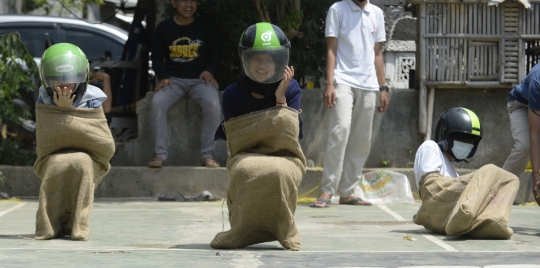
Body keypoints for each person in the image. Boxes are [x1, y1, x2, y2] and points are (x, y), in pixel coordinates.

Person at [210, 23, 306, 251]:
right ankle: (240, 230)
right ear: (245, 59)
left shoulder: (291, 88)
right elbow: (236, 139)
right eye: (256, 59)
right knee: (245, 169)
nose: (263, 66)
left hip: (286, 155)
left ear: (280, 61)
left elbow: (295, 134)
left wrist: (280, 97)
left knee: (280, 171)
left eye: (269, 60)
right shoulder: (232, 93)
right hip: (245, 154)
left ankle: (286, 230)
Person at [311, 0, 389, 208]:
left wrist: (383, 87)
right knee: (340, 131)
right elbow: (331, 49)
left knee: (362, 139)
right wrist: (329, 83)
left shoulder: (377, 13)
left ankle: (348, 192)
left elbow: (378, 53)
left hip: (370, 84)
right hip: (342, 81)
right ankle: (327, 190)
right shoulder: (338, 10)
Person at [34, 43, 115, 241]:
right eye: (56, 80)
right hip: (53, 154)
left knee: (81, 162)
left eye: (69, 80)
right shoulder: (44, 98)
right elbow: (46, 137)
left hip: (91, 155)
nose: (63, 85)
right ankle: (51, 225)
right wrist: (61, 111)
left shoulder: (93, 97)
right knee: (56, 164)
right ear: (46, 80)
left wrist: (68, 113)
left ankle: (78, 225)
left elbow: (103, 141)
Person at [413, 107, 519, 239]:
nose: (467, 144)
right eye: (462, 138)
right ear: (447, 134)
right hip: (436, 206)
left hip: (448, 216)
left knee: (511, 179)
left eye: (471, 141)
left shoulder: (453, 171)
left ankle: (489, 222)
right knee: (490, 170)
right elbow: (430, 188)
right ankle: (465, 215)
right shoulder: (430, 146)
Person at [148, 0, 222, 168]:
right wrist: (163, 76)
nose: (188, 4)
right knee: (157, 103)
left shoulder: (206, 26)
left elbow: (217, 53)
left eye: (193, 0)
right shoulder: (164, 28)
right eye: (183, 0)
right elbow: (157, 57)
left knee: (213, 104)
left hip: (200, 80)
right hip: (173, 80)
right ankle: (159, 155)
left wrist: (209, 70)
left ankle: (207, 155)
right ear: (174, 3)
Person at [501, 63, 540, 205]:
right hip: (521, 105)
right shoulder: (538, 80)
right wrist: (536, 176)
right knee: (525, 146)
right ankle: (496, 192)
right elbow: (534, 134)